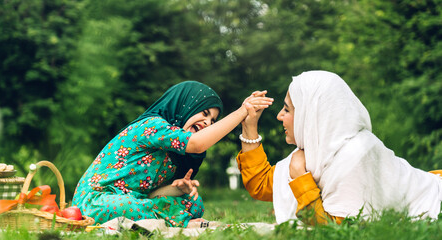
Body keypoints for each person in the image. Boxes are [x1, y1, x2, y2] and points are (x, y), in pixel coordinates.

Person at [236, 71, 442, 225]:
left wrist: (300, 177)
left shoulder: (358, 154)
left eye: (287, 109)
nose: (279, 115)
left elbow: (335, 232)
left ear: (312, 114)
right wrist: (249, 127)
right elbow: (261, 185)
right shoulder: (314, 150)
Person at [72, 81, 273, 227]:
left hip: (135, 200)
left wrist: (177, 189)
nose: (207, 123)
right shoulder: (152, 126)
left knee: (193, 203)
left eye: (212, 120)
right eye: (204, 113)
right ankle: (183, 224)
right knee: (123, 207)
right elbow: (196, 144)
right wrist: (242, 111)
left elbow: (150, 196)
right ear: (184, 106)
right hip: (97, 201)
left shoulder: (174, 156)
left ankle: (173, 221)